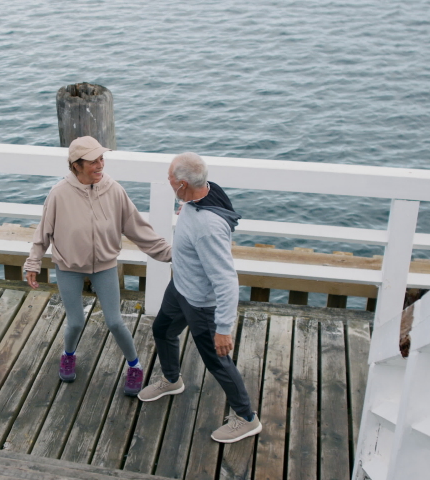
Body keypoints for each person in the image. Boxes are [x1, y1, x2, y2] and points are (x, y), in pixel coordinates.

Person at [24, 136, 172, 396]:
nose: (100, 165)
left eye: (102, 159)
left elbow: (138, 229)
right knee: (75, 323)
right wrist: (33, 262)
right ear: (76, 165)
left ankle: (135, 367)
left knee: (115, 322)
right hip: (68, 266)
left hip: (104, 266)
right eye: (93, 161)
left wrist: (171, 254)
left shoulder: (114, 190)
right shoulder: (59, 193)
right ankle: (68, 354)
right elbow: (42, 233)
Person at [137, 152, 262, 443]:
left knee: (217, 361)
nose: (167, 181)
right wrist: (187, 211)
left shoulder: (208, 228)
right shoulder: (203, 193)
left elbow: (227, 280)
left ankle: (246, 418)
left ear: (182, 185)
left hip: (202, 305)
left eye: (170, 178)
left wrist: (223, 328)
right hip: (179, 287)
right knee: (162, 330)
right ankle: (171, 380)